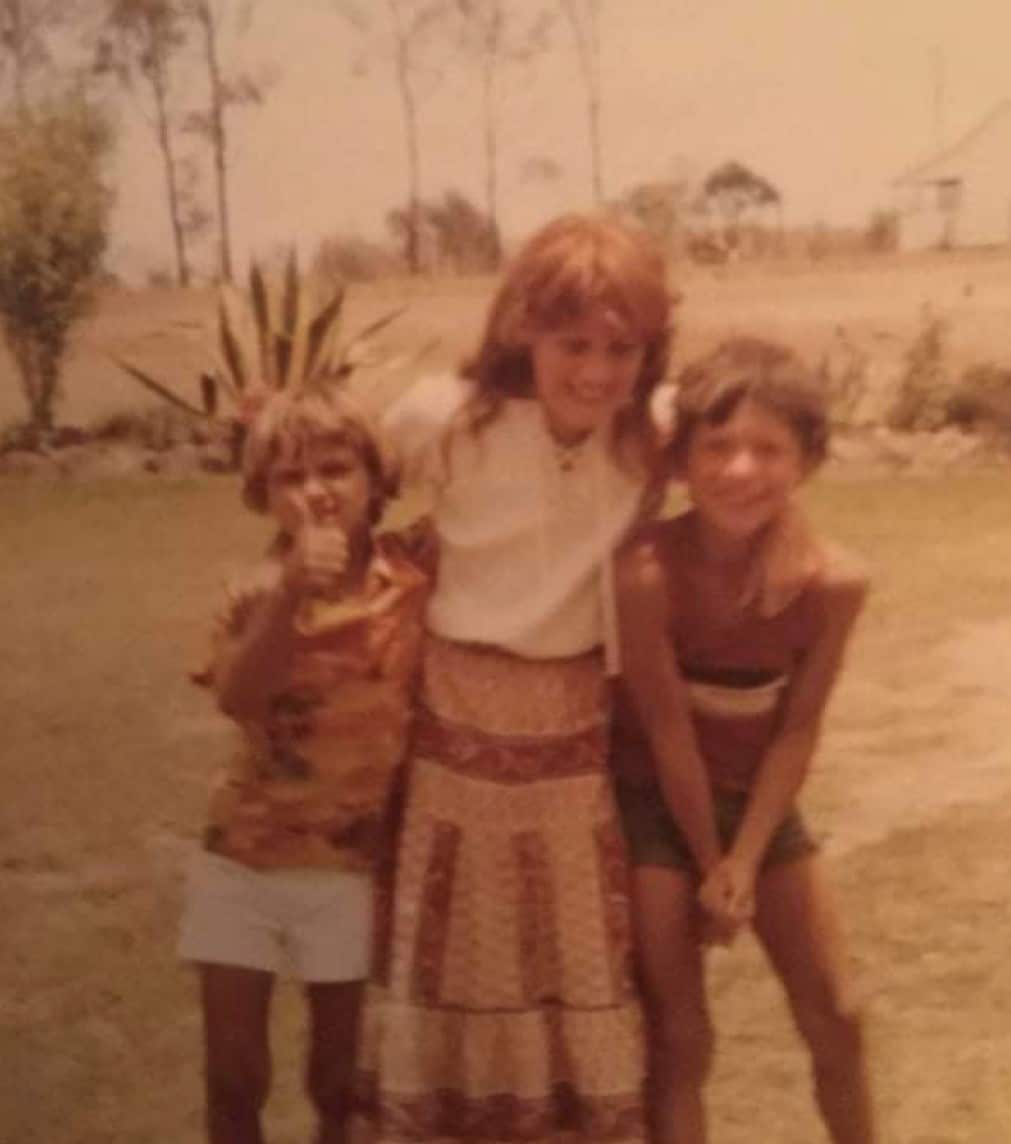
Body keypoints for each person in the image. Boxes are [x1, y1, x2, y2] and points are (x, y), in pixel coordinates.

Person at [363, 213, 674, 1144]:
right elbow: (344, 492)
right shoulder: (445, 418)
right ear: (521, 332)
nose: (596, 370)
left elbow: (756, 465)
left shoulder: (653, 432)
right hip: (455, 712)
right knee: (457, 943)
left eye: (622, 347)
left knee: (570, 942)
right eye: (572, 343)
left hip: (574, 721)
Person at [611, 335, 875, 1144]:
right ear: (683, 459)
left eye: (769, 449)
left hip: (760, 809)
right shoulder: (646, 570)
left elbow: (797, 731)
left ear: (807, 463)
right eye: (717, 447)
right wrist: (708, 863)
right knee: (682, 1038)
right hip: (660, 809)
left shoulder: (833, 582)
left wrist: (748, 859)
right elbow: (664, 730)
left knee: (838, 1012)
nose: (740, 470)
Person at [178, 388, 431, 1144]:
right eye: (291, 477)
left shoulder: (411, 579)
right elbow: (239, 698)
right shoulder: (253, 593)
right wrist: (291, 593)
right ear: (265, 494)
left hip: (349, 870)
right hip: (243, 862)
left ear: (373, 480)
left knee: (339, 1082)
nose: (317, 490)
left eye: (335, 468)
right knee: (233, 1078)